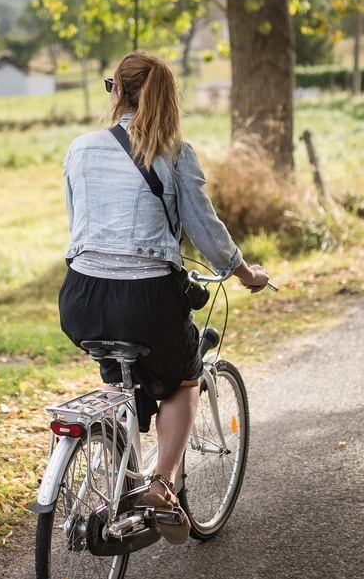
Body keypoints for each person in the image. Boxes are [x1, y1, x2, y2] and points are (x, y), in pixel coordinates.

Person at [59, 50, 270, 543]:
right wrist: (243, 272)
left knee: (119, 373)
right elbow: (206, 232)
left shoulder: (80, 148)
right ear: (168, 98)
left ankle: (113, 468)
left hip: (81, 295)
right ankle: (158, 483)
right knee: (182, 378)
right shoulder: (174, 152)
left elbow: (77, 225)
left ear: (117, 93)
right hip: (147, 298)